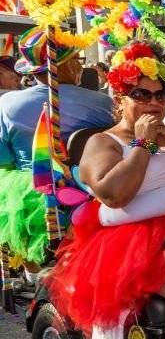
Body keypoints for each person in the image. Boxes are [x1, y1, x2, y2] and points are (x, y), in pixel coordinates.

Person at [44, 41, 165, 339]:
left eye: (161, 94)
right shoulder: (104, 142)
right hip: (140, 243)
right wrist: (143, 144)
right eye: (141, 95)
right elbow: (115, 195)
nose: (153, 103)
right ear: (120, 98)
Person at [0, 28, 114, 270]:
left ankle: (32, 273)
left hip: (28, 196)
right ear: (65, 66)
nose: (80, 66)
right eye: (76, 60)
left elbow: (4, 158)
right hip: (90, 190)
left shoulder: (8, 103)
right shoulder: (102, 103)